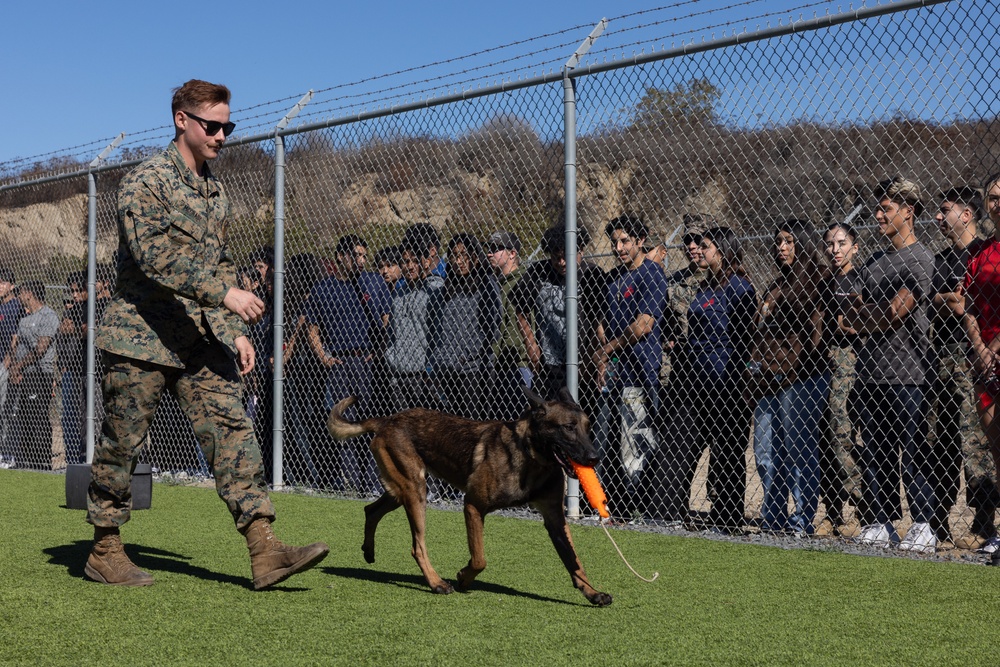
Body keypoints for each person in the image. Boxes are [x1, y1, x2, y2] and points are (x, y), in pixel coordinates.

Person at [85, 79, 328, 588]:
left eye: (227, 126)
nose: (221, 135)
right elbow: (153, 255)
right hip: (140, 337)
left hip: (198, 340)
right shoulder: (145, 180)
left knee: (233, 431)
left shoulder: (214, 190)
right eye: (212, 125)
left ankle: (265, 550)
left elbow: (218, 265)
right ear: (181, 120)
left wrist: (233, 329)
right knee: (123, 444)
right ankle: (105, 548)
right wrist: (225, 297)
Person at [844, 176, 937, 553]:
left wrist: (869, 315)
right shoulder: (875, 262)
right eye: (878, 209)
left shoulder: (921, 258)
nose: (878, 215)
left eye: (886, 209)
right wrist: (871, 314)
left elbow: (895, 313)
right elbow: (848, 314)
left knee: (913, 453)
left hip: (909, 374)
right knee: (876, 452)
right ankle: (882, 520)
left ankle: (924, 524)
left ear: (908, 212)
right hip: (871, 372)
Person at [747, 220, 831, 536]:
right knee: (767, 453)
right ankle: (773, 516)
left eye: (789, 241)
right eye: (778, 241)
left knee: (799, 451)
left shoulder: (820, 280)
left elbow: (816, 336)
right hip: (768, 381)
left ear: (804, 244)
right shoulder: (773, 286)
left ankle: (802, 519)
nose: (781, 247)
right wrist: (752, 374)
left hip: (802, 379)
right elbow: (758, 335)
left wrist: (791, 367)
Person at [927, 187, 996, 549]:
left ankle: (984, 523)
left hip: (975, 355)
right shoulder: (940, 260)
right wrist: (947, 298)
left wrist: (955, 300)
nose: (937, 218)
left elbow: (970, 304)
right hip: (941, 358)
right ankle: (939, 524)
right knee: (940, 441)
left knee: (976, 443)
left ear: (966, 214)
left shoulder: (983, 254)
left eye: (944, 210)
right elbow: (936, 302)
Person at [677, 226, 757, 533]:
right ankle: (685, 511)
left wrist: (738, 381)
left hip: (728, 381)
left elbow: (744, 338)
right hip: (699, 382)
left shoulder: (739, 287)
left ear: (722, 250)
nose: (700, 249)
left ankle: (728, 519)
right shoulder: (706, 286)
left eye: (706, 245)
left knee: (728, 450)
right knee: (689, 449)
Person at [593, 214, 668, 517]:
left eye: (625, 241)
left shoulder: (651, 274)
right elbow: (601, 322)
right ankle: (611, 506)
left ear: (640, 241)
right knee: (605, 442)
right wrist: (602, 356)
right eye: (614, 242)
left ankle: (638, 509)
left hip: (640, 374)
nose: (618, 247)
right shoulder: (613, 279)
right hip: (613, 375)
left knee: (634, 446)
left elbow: (643, 326)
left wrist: (608, 349)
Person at [305, 234, 390, 496]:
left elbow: (387, 316)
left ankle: (372, 483)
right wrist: (324, 357)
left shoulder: (373, 282)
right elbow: (312, 327)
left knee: (371, 423)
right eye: (357, 255)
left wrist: (377, 350)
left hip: (366, 363)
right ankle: (349, 481)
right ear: (341, 257)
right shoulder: (323, 289)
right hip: (340, 364)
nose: (362, 261)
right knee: (345, 423)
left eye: (365, 255)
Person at [514, 222, 604, 418]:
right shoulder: (538, 272)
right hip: (548, 369)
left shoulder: (592, 274)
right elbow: (519, 306)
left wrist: (592, 359)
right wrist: (531, 344)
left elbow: (600, 322)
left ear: (579, 251)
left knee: (582, 424)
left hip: (582, 368)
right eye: (556, 257)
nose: (562, 263)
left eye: (566, 257)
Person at [815, 222, 865, 537]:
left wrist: (852, 325)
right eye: (830, 244)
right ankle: (832, 513)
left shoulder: (862, 279)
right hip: (824, 361)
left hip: (851, 359)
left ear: (855, 247)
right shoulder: (824, 282)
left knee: (842, 432)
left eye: (842, 243)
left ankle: (864, 507)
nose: (835, 250)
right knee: (824, 438)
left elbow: (864, 321)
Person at [962, 172, 1000, 557]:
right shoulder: (980, 252)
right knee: (995, 445)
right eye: (992, 196)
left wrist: (995, 346)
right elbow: (969, 304)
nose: (998, 203)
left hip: (995, 352)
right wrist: (981, 348)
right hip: (986, 364)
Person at [427, 232, 501, 420]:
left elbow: (493, 327)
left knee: (472, 423)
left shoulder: (487, 285)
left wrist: (466, 354)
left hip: (474, 369)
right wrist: (440, 357)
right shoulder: (446, 288)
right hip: (447, 368)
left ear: (475, 257)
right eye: (454, 255)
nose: (458, 261)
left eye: (464, 255)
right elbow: (437, 329)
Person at [383, 240, 444, 412]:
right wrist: (391, 359)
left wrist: (431, 370)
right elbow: (392, 332)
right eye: (405, 261)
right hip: (398, 374)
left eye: (415, 261)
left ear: (425, 261)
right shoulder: (398, 294)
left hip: (423, 376)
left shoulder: (435, 290)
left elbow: (439, 334)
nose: (410, 266)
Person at [7, 281, 58, 470]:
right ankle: (26, 461)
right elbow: (16, 346)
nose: (19, 298)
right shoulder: (23, 319)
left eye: (21, 294)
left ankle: (43, 462)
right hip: (23, 374)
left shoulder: (48, 315)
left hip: (40, 374)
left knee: (38, 416)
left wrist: (19, 366)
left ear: (28, 294)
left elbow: (41, 348)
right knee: (24, 417)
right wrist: (14, 369)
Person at [484, 230, 532, 420]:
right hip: (499, 367)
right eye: (489, 249)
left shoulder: (522, 282)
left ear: (512, 253)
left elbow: (521, 332)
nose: (489, 253)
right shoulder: (497, 284)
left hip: (517, 366)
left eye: (496, 249)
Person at [56, 271, 88, 464]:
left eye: (78, 290)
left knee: (86, 415)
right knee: (68, 415)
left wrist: (75, 329)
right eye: (72, 291)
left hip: (85, 369)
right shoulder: (71, 310)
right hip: (70, 370)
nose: (74, 295)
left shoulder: (89, 308)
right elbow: (63, 329)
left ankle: (85, 455)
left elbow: (81, 331)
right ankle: (71, 457)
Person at [0, 266, 20, 467]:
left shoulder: (15, 306)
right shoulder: (1, 307)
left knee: (8, 410)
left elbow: (15, 338)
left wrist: (9, 361)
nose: (0, 286)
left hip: (6, 365)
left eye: (3, 282)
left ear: (11, 286)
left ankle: (10, 453)